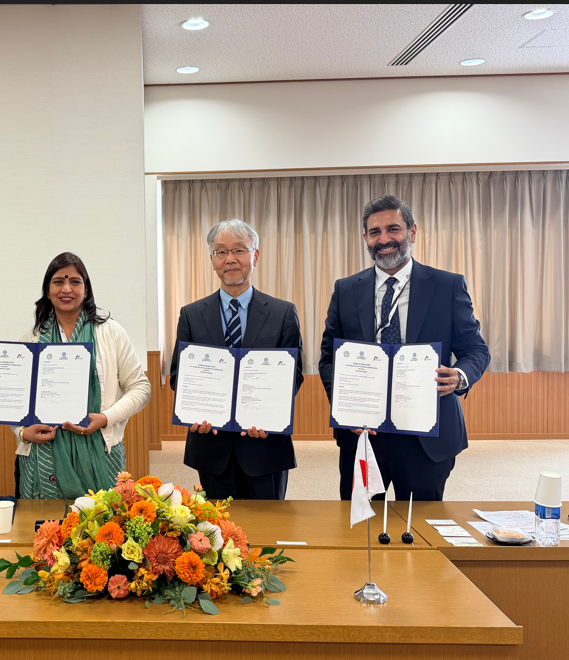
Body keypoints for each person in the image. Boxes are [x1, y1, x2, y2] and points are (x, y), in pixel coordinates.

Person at [320, 195, 490, 501]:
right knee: (361, 522)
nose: (384, 239)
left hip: (425, 434)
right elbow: (329, 358)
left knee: (420, 523)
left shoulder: (447, 286)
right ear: (365, 238)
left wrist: (460, 376)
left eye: (393, 229)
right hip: (363, 433)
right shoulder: (345, 289)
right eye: (375, 232)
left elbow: (476, 349)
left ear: (412, 232)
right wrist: (345, 407)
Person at [169, 220, 304, 500]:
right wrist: (194, 411)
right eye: (221, 252)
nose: (230, 259)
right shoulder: (191, 315)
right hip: (211, 446)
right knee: (217, 524)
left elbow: (294, 376)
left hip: (266, 445)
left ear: (255, 256)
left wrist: (268, 414)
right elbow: (178, 376)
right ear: (212, 260)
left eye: (239, 250)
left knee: (267, 524)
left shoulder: (282, 313)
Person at [11, 252, 151, 499]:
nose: (66, 289)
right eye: (58, 282)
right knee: (45, 523)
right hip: (43, 456)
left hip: (101, 451)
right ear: (48, 290)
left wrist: (106, 418)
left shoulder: (111, 332)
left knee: (104, 519)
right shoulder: (32, 338)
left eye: (75, 282)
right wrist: (22, 432)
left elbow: (141, 387)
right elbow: (16, 398)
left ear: (86, 290)